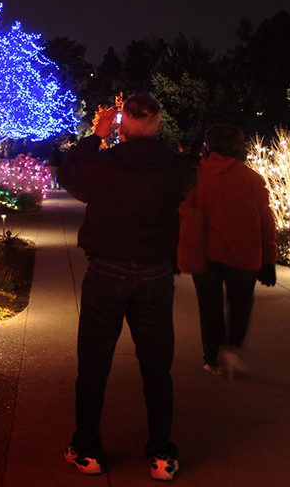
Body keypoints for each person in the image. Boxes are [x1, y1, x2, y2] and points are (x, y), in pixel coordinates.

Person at [57, 94, 189, 481]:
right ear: (158, 123)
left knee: (94, 364)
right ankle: (161, 453)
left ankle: (86, 449)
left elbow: (69, 174)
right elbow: (186, 188)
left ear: (123, 124)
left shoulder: (105, 164)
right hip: (155, 274)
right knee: (157, 367)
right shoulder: (174, 166)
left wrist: (96, 135)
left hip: (108, 271)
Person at [184, 125, 277, 379]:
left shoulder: (197, 176)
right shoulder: (251, 179)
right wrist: (269, 259)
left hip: (205, 254)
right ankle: (232, 350)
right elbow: (266, 221)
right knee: (240, 305)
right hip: (243, 254)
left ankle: (212, 359)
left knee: (209, 308)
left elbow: (183, 214)